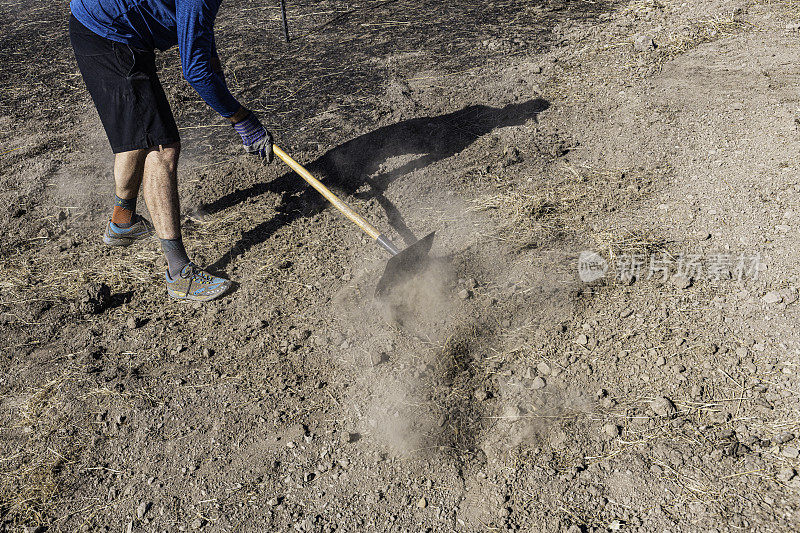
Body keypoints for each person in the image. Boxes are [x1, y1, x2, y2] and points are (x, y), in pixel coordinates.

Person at [68, 0, 273, 301]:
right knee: (162, 148)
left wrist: (212, 60)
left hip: (104, 25)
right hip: (111, 34)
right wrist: (241, 118)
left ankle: (122, 221)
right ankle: (179, 274)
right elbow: (195, 71)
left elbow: (196, 30)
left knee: (140, 130)